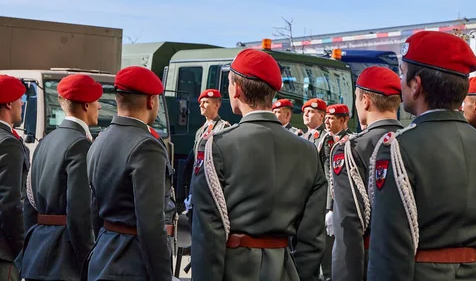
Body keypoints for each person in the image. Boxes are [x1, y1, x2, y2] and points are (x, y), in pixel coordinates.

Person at [368, 31, 476, 280]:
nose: (399, 81)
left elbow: (390, 251)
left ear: (416, 85)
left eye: (402, 72)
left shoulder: (397, 149)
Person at [191, 49, 327, 281]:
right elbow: (312, 239)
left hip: (234, 270)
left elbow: (208, 234)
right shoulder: (307, 150)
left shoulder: (218, 146)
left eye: (230, 84)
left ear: (238, 90)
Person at [85, 66, 176, 281]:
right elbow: (151, 225)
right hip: (132, 264)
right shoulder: (147, 146)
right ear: (151, 101)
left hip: (103, 255)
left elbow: (94, 209)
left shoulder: (100, 140)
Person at [18, 74, 101, 281]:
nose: (100, 107)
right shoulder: (80, 145)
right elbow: (79, 212)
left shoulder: (46, 141)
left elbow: (29, 203)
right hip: (64, 258)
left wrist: (29, 247)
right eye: (97, 102)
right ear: (86, 105)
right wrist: (88, 258)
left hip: (37, 250)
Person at [331, 67, 403, 281]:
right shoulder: (416, 141)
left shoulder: (352, 149)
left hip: (372, 263)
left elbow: (348, 226)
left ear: (366, 100)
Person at [182, 89, 230, 225]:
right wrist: (190, 191)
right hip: (197, 187)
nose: (201, 105)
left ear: (217, 105)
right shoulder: (200, 131)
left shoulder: (223, 128)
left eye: (206, 102)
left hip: (210, 189)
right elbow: (196, 163)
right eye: (201, 102)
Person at [0, 75, 27, 281]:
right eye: (20, 99)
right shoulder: (8, 144)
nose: (22, 104)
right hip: (4, 252)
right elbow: (10, 204)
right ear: (9, 103)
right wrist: (22, 247)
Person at [321, 103, 352, 281]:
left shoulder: (349, 141)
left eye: (331, 118)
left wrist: (331, 207)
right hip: (325, 201)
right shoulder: (327, 140)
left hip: (339, 202)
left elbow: (337, 178)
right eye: (326, 118)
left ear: (343, 120)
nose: (327, 121)